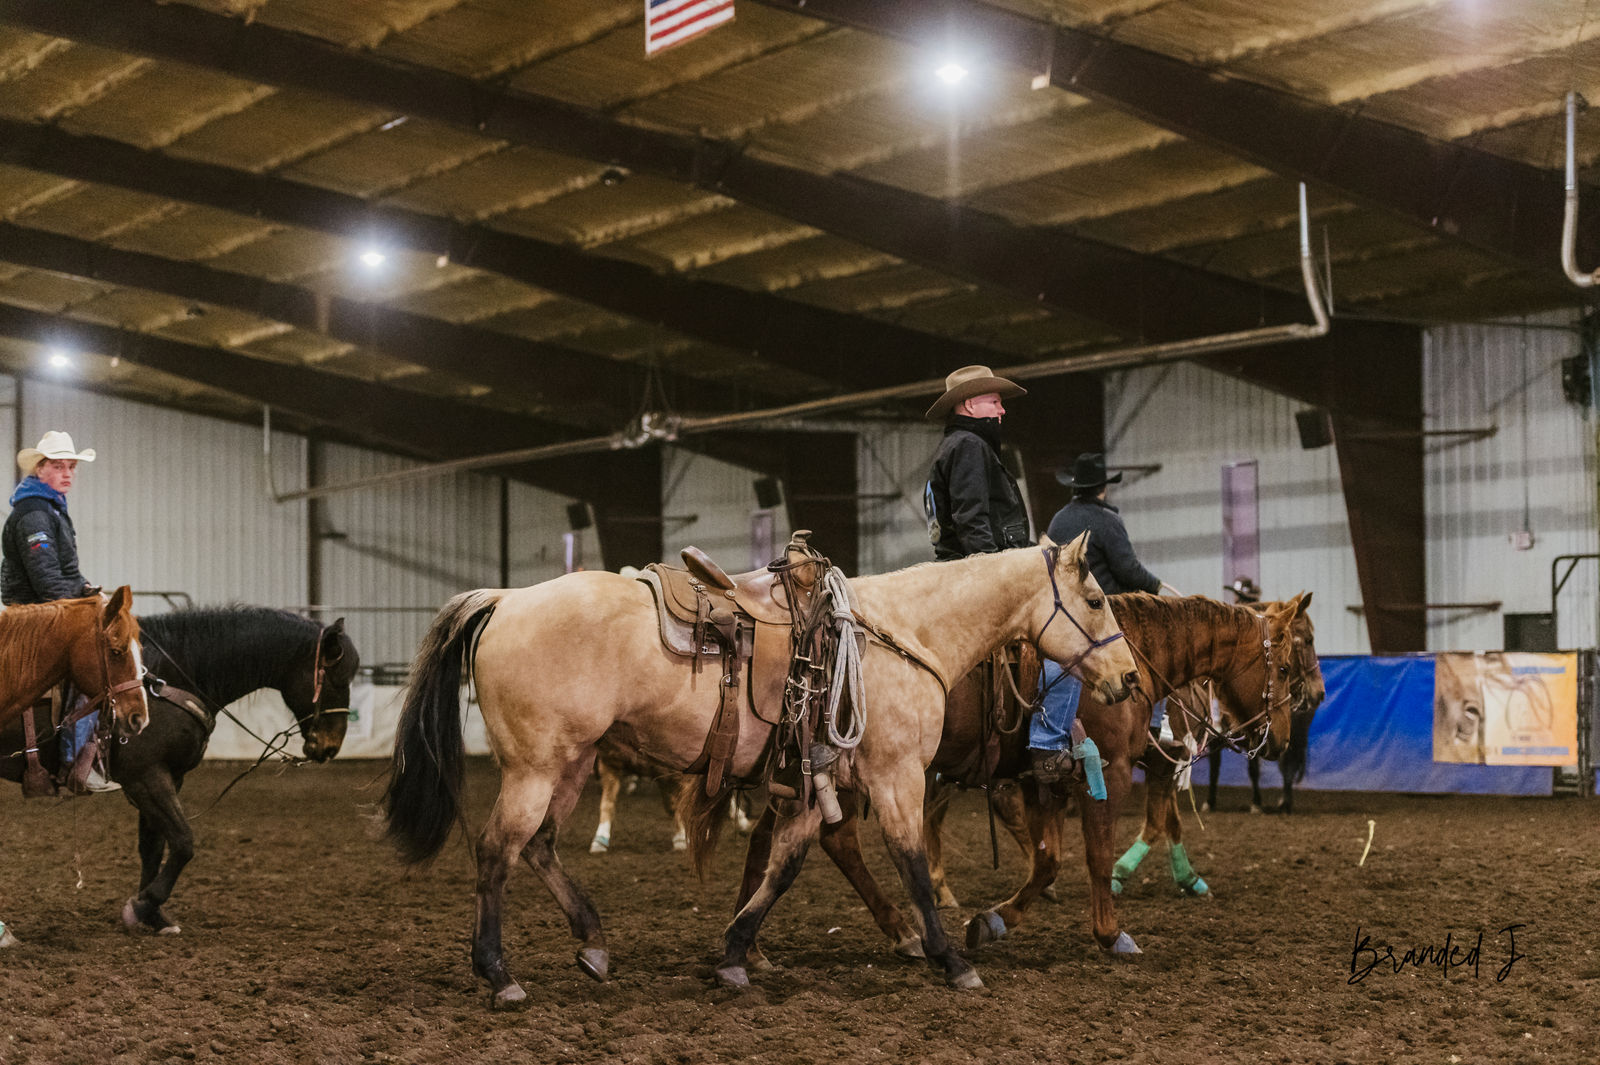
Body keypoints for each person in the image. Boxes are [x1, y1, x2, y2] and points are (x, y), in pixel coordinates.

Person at [1027, 452, 1165, 780]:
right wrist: (1156, 585)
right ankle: (1156, 730)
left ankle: (1057, 732)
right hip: (1109, 611)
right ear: (1102, 488)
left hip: (1068, 614)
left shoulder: (1059, 519)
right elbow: (1128, 568)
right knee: (1156, 656)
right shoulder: (1108, 521)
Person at [2, 430, 118, 793]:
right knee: (92, 664)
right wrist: (85, 601)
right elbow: (47, 580)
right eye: (58, 465)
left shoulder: (48, 508)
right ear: (40, 469)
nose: (67, 473)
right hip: (37, 611)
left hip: (46, 605)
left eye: (71, 467)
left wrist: (88, 591)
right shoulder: (35, 514)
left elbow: (64, 573)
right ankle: (73, 762)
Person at [923, 364, 1030, 560]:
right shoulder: (969, 444)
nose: (1002, 410)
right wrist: (992, 566)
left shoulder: (956, 443)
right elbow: (971, 519)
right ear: (970, 405)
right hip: (980, 568)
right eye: (995, 402)